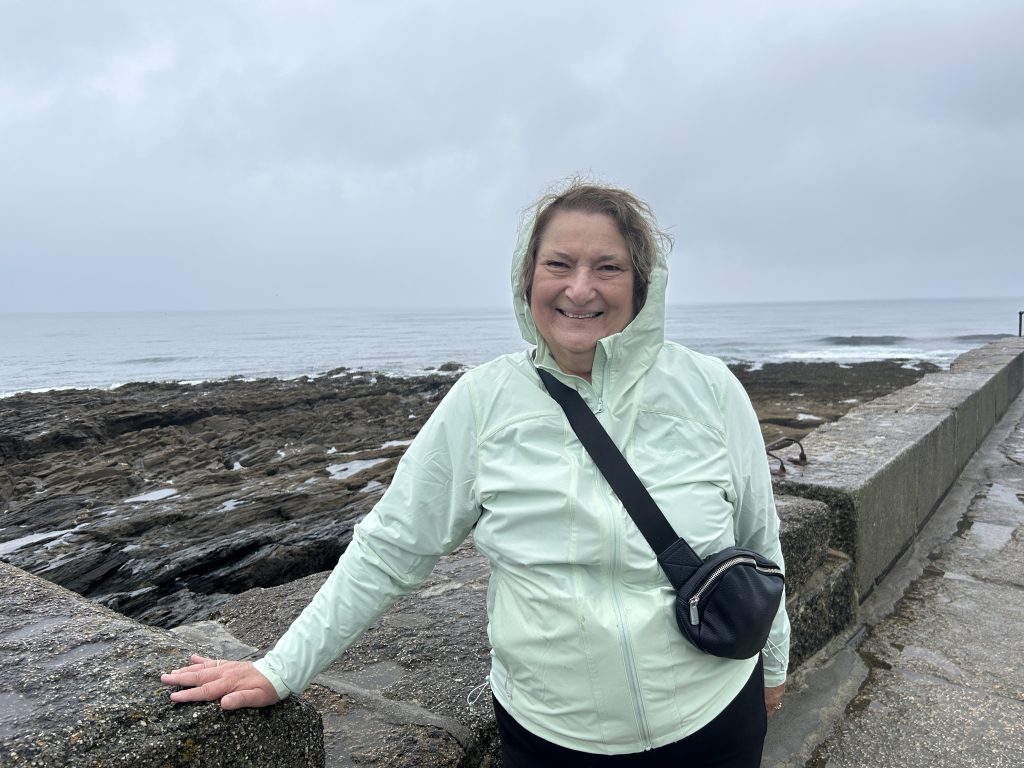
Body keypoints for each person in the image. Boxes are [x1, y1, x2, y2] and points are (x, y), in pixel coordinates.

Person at [161, 180, 790, 766]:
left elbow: (759, 543)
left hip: (712, 716)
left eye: (608, 267)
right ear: (527, 276)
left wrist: (774, 666)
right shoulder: (482, 402)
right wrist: (281, 669)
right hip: (553, 736)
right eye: (558, 264)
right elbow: (389, 548)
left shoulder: (710, 390)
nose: (579, 288)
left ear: (642, 283)